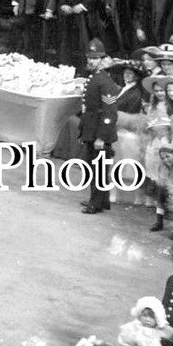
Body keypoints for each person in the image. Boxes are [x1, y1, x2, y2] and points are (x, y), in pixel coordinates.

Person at [79, 38, 119, 215]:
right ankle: (101, 201)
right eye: (89, 57)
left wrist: (101, 137)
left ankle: (95, 203)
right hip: (92, 129)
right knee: (95, 166)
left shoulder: (105, 81)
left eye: (95, 58)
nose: (91, 61)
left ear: (103, 60)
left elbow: (110, 113)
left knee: (98, 168)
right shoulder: (95, 77)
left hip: (100, 132)